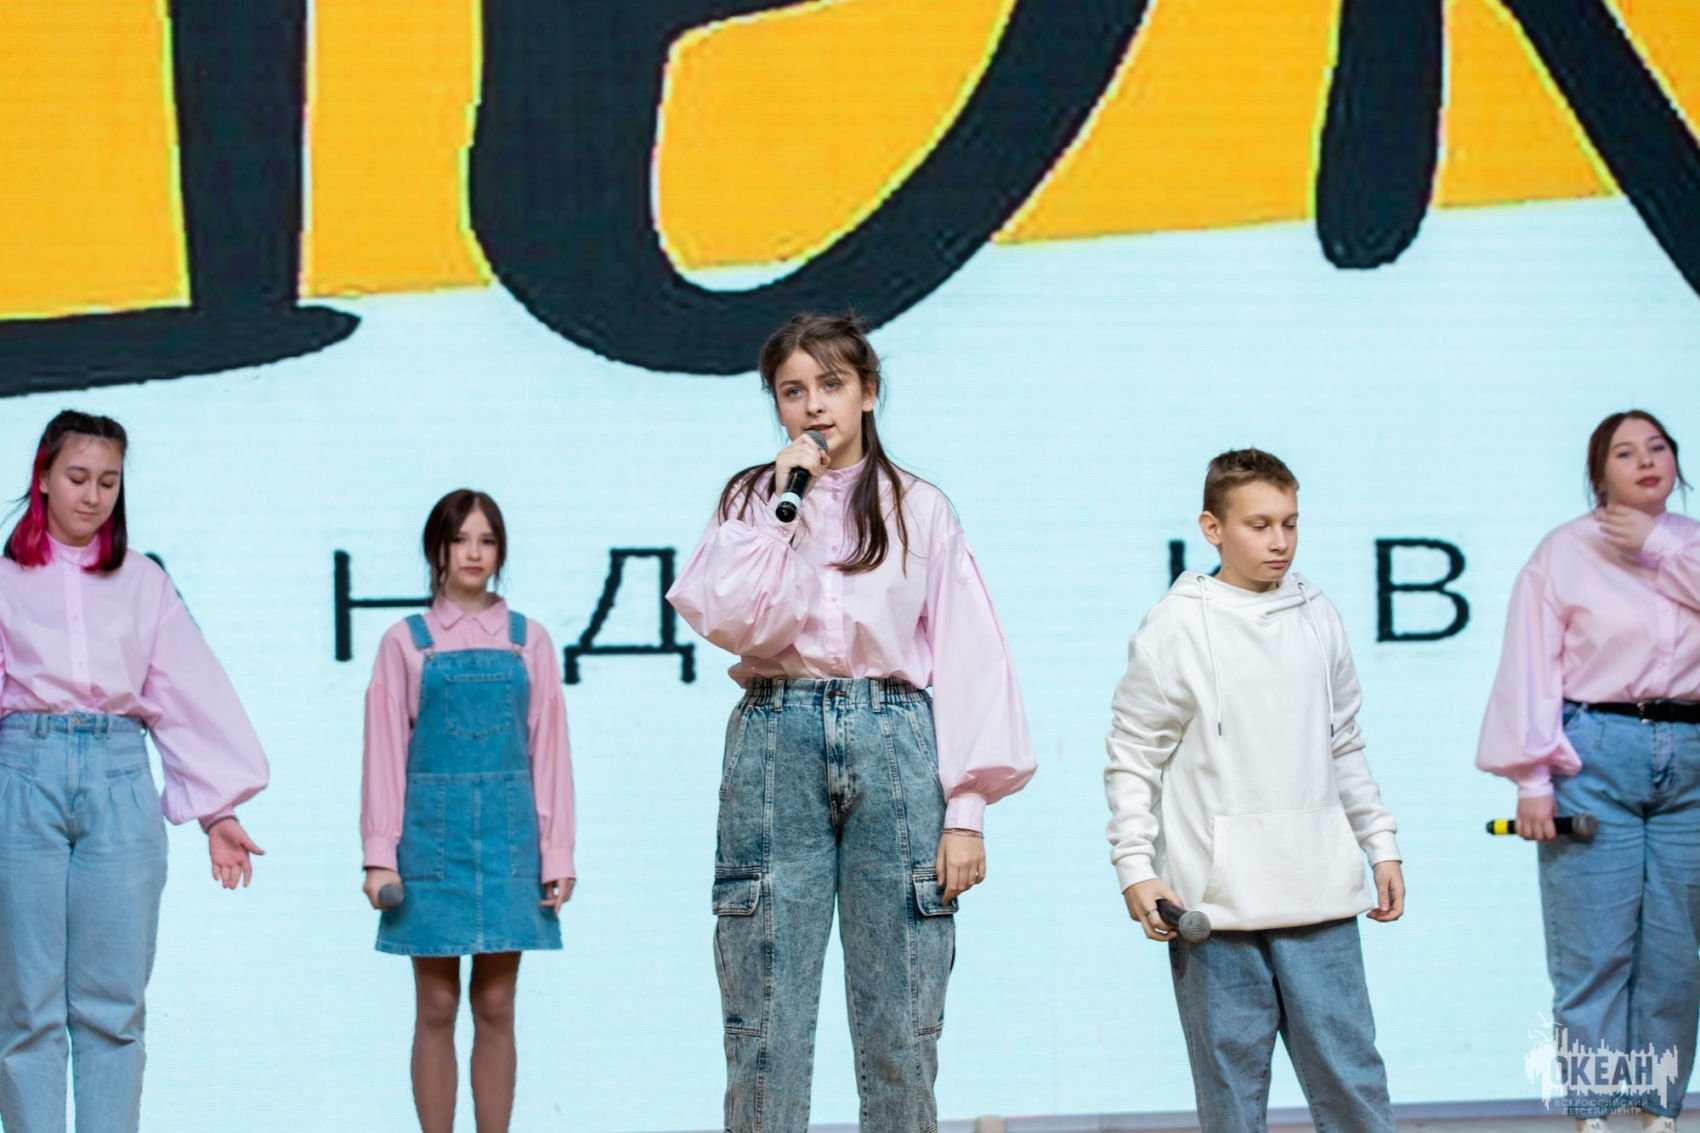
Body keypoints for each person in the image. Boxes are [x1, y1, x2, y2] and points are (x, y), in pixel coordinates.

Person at [667, 312, 1034, 1132]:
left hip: (893, 738)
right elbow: (737, 621)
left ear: (868, 392)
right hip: (777, 734)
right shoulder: (754, 500)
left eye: (831, 384)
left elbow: (971, 655)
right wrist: (782, 512)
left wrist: (967, 810)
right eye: (792, 391)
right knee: (764, 1016)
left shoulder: (919, 507)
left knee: (902, 1017)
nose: (813, 406)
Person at [1103, 447, 1404, 1132]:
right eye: (1259, 524)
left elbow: (1344, 743)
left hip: (1320, 894)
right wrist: (1135, 868)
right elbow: (1133, 755)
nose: (1279, 541)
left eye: (1290, 523)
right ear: (1212, 528)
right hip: (1214, 908)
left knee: (1352, 1082)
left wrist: (1380, 845)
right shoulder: (1176, 626)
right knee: (1231, 1099)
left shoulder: (1318, 614)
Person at [0, 409, 269, 1133]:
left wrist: (217, 812)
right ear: (43, 478)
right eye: (77, 477)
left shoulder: (142, 579)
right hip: (21, 772)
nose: (93, 495)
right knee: (25, 1009)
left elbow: (182, 692)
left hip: (119, 775)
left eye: (108, 481)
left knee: (113, 1008)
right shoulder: (4, 578)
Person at [1477, 409, 1699, 1133]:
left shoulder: (1691, 543)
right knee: (1594, 953)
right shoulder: (1565, 550)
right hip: (1596, 751)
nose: (1646, 461)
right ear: (1598, 473)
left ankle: (1658, 1108)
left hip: (1692, 758)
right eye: (1625, 453)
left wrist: (1661, 547)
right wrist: (1531, 779)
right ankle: (1595, 1111)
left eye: (1658, 447)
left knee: (1675, 957)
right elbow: (1530, 667)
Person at [360, 489, 575, 1133]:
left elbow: (549, 753)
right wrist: (378, 856)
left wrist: (558, 853)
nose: (474, 553)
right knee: (435, 1004)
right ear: (437, 550)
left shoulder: (529, 641)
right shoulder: (405, 642)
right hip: (430, 844)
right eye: (460, 540)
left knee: (498, 1005)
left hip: (511, 844)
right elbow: (383, 756)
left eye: (486, 540)